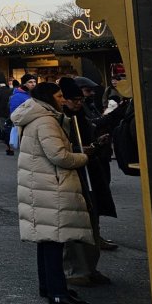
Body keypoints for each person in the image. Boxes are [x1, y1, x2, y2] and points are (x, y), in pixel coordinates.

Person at [12, 82, 93, 304]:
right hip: (50, 185)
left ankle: (49, 286)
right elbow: (58, 155)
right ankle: (57, 292)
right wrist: (82, 157)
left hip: (39, 183)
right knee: (54, 239)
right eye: (58, 96)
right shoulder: (46, 120)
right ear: (49, 98)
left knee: (47, 240)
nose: (62, 99)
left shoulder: (34, 116)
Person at [59, 78, 116, 287]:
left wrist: (95, 145)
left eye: (81, 99)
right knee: (75, 224)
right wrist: (83, 152)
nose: (79, 102)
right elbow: (59, 152)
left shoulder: (81, 114)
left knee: (92, 220)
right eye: (75, 99)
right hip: (74, 173)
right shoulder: (59, 119)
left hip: (89, 171)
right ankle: (76, 270)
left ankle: (89, 268)